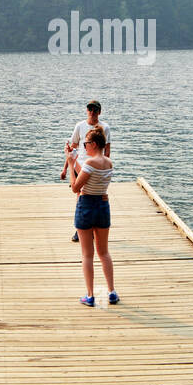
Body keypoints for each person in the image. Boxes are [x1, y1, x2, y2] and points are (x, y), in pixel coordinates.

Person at [70, 126, 116, 307]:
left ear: (94, 144)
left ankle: (90, 295)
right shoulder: (108, 163)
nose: (84, 147)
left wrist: (69, 161)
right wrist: (74, 162)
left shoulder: (90, 164)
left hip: (86, 206)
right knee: (104, 252)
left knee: (87, 254)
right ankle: (111, 292)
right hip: (103, 206)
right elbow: (90, 174)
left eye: (86, 143)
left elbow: (76, 187)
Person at [61, 101, 111, 241]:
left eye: (95, 109)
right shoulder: (80, 126)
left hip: (94, 166)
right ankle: (80, 229)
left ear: (99, 112)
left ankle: (87, 227)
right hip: (80, 165)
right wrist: (65, 169)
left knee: (89, 195)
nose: (92, 112)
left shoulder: (105, 127)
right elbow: (73, 147)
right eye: (90, 109)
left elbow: (107, 150)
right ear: (86, 110)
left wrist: (103, 166)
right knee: (80, 196)